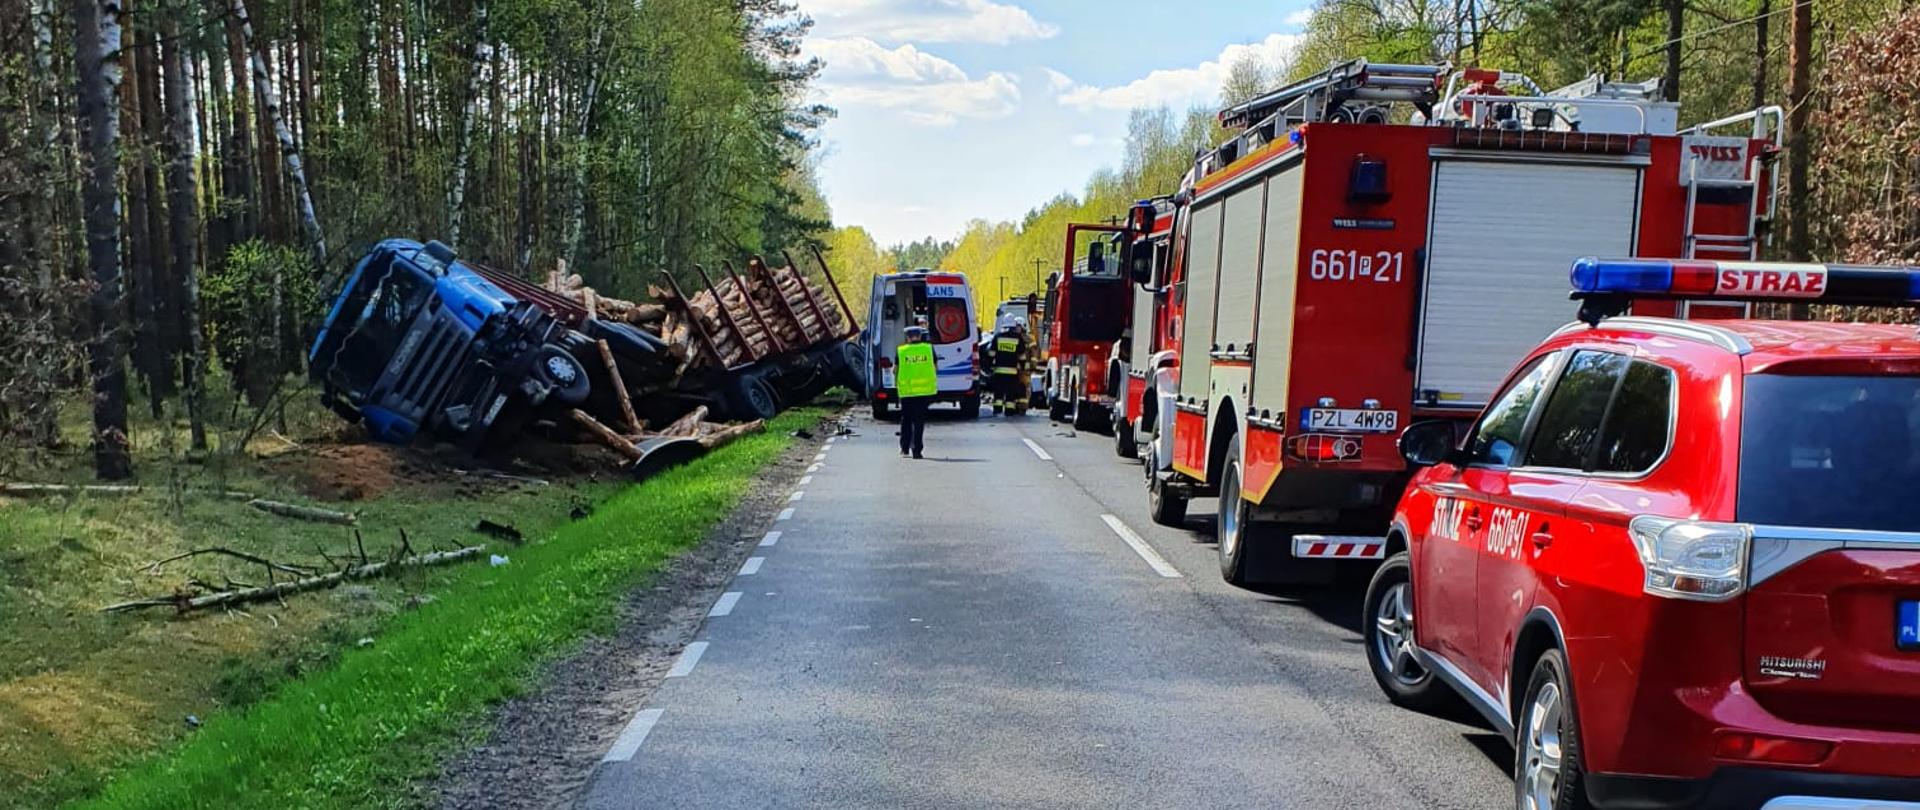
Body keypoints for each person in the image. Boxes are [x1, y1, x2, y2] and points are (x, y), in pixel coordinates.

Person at [895, 325, 937, 458]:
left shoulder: (901, 351)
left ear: (907, 337)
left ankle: (904, 449)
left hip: (907, 392)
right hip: (924, 391)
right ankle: (917, 450)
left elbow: (895, 370)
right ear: (919, 336)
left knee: (906, 420)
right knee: (919, 422)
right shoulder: (928, 349)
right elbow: (935, 367)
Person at [989, 320, 1029, 415]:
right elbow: (1022, 356)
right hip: (1012, 372)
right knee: (1010, 393)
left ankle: (997, 410)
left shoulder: (998, 337)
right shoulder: (1018, 338)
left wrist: (990, 366)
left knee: (998, 392)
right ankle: (1009, 411)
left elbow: (991, 353)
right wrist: (1022, 367)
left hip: (999, 371)